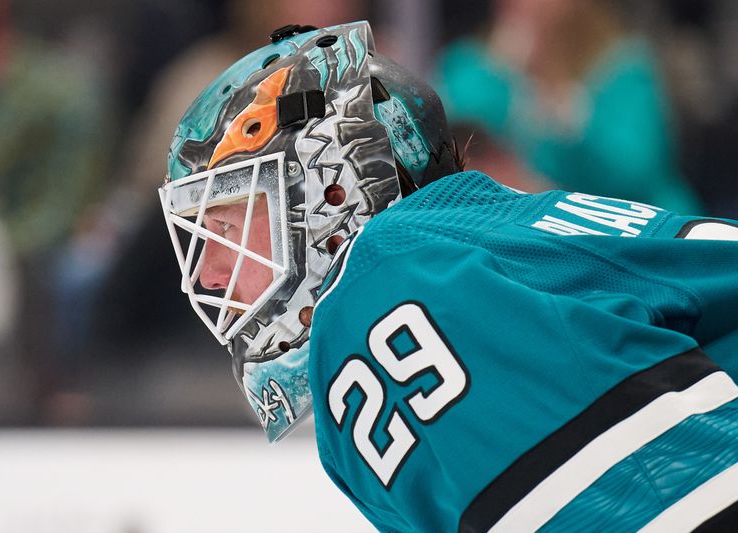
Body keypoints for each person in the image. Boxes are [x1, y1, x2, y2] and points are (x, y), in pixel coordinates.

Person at [158, 22, 738, 532]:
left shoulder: (386, 285)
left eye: (227, 224)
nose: (208, 275)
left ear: (330, 190)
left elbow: (659, 503)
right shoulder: (480, 243)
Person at [434, 0, 703, 215]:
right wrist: (503, 72)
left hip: (635, 229)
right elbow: (452, 137)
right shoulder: (472, 66)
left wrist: (564, 114)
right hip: (525, 231)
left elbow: (634, 174)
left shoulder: (623, 70)